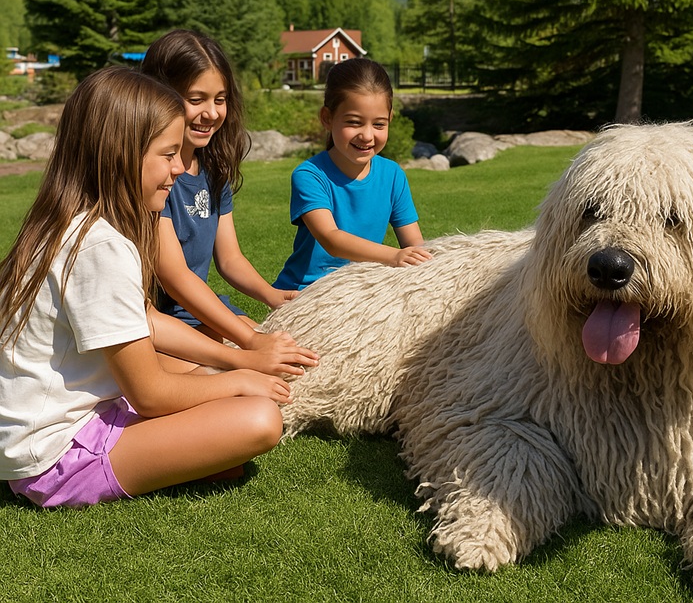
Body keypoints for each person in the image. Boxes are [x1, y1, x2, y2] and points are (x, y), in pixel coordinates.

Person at [0, 66, 288, 508]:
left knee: (208, 382)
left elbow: (148, 320)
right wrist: (240, 380)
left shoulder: (71, 224)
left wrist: (236, 357)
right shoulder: (98, 246)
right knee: (260, 419)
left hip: (58, 423)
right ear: (120, 154)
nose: (177, 169)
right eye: (168, 155)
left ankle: (183, 451)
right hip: (54, 456)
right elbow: (150, 394)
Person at [141, 30, 318, 378]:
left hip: (199, 309)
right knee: (235, 372)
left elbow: (230, 258)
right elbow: (174, 276)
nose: (211, 113)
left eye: (219, 99)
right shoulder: (153, 176)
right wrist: (249, 341)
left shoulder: (213, 168)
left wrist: (271, 295)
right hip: (156, 319)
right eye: (196, 99)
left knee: (293, 353)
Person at [274, 57, 432, 291]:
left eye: (379, 125)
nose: (367, 136)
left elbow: (415, 244)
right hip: (306, 291)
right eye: (354, 122)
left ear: (390, 119)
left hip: (360, 288)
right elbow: (331, 240)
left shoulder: (393, 175)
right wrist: (395, 256)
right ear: (327, 118)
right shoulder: (310, 175)